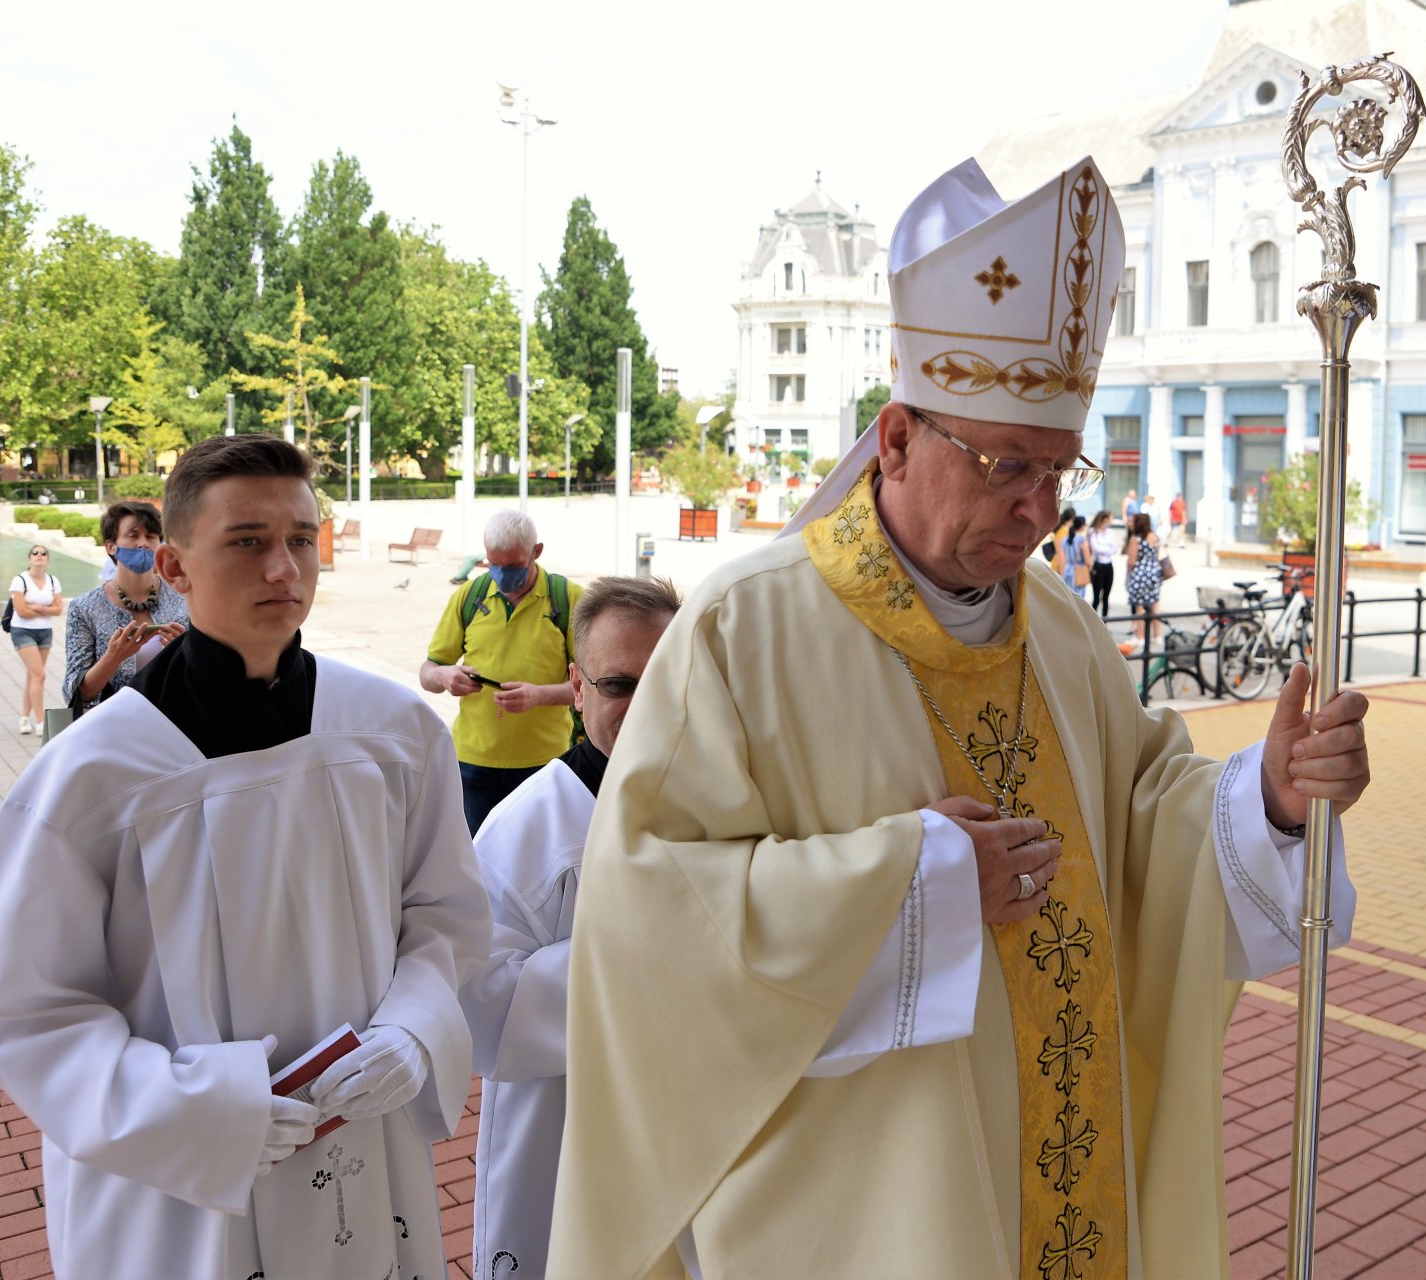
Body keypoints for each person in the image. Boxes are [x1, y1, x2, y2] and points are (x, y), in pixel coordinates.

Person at [548, 155, 1367, 1277]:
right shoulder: (749, 627)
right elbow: (647, 919)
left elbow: (1147, 828)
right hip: (866, 1212)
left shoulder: (1066, 632)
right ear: (895, 441)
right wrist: (918, 885)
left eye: (1060, 472)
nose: (1037, 509)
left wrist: (1268, 795)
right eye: (1006, 466)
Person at [0, 435, 489, 1279]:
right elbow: (24, 1006)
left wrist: (416, 1032)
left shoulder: (393, 733)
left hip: (362, 1141)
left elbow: (448, 918)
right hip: (178, 1186)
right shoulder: (91, 774)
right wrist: (200, 1112)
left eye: (302, 540)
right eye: (248, 542)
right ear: (174, 564)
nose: (284, 568)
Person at [463, 575, 684, 1280]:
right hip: (563, 1131)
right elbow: (484, 1005)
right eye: (620, 685)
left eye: (666, 680)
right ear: (576, 686)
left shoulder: (720, 800)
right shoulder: (528, 829)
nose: (645, 707)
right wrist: (666, 956)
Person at [420, 510, 583, 835]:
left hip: (545, 763)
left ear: (536, 552)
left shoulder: (569, 600)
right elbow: (428, 672)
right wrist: (446, 676)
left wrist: (539, 696)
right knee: (477, 866)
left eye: (511, 567)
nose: (500, 574)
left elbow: (593, 687)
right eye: (493, 564)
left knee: (540, 870)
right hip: (473, 763)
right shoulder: (470, 596)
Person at [62, 500, 188, 717]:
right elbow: (74, 693)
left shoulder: (184, 598)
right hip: (114, 731)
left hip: (176, 728)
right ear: (111, 546)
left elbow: (207, 674)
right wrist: (113, 657)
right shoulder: (85, 608)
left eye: (151, 536)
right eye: (133, 535)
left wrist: (186, 652)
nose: (143, 544)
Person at [6, 544, 62, 735]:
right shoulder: (20, 580)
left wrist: (37, 608)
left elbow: (59, 609)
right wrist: (45, 609)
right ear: (29, 558)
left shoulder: (53, 581)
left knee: (33, 675)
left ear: (48, 560)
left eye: (43, 553)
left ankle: (23, 718)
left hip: (44, 632)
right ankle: (40, 721)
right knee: (39, 675)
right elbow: (20, 611)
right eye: (35, 553)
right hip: (22, 631)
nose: (39, 556)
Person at [1125, 510, 1165, 644]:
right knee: (1155, 604)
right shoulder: (1154, 536)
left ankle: (1140, 636)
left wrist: (1129, 573)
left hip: (1140, 574)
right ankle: (1158, 635)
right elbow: (1158, 554)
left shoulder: (1135, 539)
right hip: (1155, 572)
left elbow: (1131, 561)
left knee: (1140, 606)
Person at [1085, 510, 1120, 619]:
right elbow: (1096, 548)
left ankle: (1105, 621)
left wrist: (1105, 550)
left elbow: (1114, 549)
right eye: (1110, 518)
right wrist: (1107, 548)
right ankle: (1093, 621)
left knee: (1106, 597)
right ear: (1104, 519)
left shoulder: (1110, 532)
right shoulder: (1093, 532)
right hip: (1098, 566)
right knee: (1096, 597)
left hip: (1108, 565)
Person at [1062, 512, 1090, 600]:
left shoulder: (1065, 539)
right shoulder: (1082, 540)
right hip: (1079, 569)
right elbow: (1087, 560)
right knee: (1079, 598)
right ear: (1082, 525)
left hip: (1068, 569)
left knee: (1069, 597)